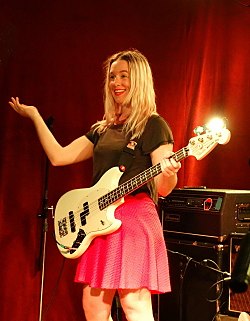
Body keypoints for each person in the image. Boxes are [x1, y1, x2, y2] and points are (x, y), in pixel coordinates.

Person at [9, 49, 181, 321]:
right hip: (100, 220)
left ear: (139, 80)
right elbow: (58, 156)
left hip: (134, 219)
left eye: (124, 76)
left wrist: (170, 172)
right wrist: (34, 116)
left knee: (134, 302)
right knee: (93, 305)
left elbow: (163, 188)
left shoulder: (153, 125)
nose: (116, 83)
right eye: (112, 76)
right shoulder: (102, 129)